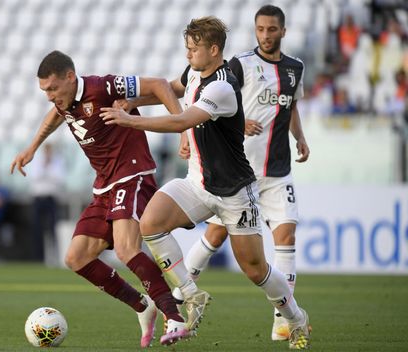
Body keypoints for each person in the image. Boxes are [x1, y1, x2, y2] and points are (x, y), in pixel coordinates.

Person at [100, 16, 311, 350]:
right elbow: (172, 88)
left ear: (214, 50)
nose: (188, 55)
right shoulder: (196, 72)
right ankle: (190, 294)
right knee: (150, 223)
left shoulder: (223, 88)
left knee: (255, 270)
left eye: (194, 50)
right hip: (197, 183)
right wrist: (134, 103)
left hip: (234, 192)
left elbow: (183, 119)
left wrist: (130, 121)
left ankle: (296, 318)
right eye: (186, 49)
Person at [10, 51, 195, 347]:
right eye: (44, 90)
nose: (49, 96)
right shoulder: (64, 102)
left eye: (53, 88)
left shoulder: (103, 87)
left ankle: (174, 316)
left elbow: (159, 85)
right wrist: (33, 147)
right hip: (104, 185)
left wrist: (182, 129)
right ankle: (142, 306)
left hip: (132, 173)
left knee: (125, 248)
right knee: (76, 257)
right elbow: (55, 115)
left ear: (71, 77)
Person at [175, 5, 311, 343]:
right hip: (239, 173)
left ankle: (283, 319)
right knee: (216, 237)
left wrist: (301, 137)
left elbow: (290, 106)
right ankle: (181, 294)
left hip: (278, 170)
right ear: (255, 31)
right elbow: (217, 95)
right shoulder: (239, 63)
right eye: (260, 29)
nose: (265, 35)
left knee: (286, 238)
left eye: (271, 29)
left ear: (283, 31)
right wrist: (240, 121)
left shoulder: (296, 69)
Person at [27, 142, 65, 262]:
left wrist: (46, 172)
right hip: (38, 198)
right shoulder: (36, 160)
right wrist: (46, 168)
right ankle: (38, 258)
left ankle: (54, 257)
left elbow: (59, 178)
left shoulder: (58, 160)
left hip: (51, 197)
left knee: (53, 228)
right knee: (37, 229)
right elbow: (34, 176)